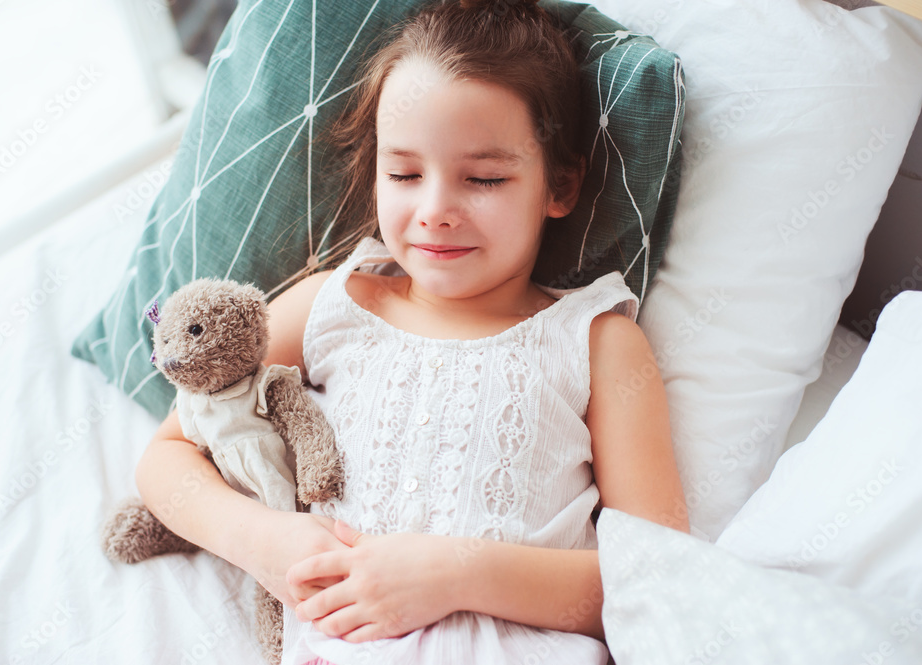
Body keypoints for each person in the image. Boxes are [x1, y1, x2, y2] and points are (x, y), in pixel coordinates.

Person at [135, 0, 688, 662]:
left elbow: (660, 576)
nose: (434, 212)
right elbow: (165, 457)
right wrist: (265, 541)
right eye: (403, 174)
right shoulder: (336, 302)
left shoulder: (595, 340)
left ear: (559, 185)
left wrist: (454, 573)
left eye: (483, 178)